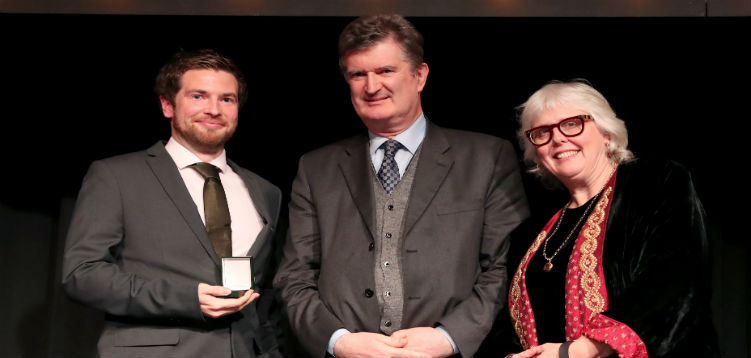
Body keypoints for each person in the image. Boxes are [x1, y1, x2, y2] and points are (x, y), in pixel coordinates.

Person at [273, 14, 529, 358]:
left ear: (420, 75)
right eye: (358, 74)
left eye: (385, 71)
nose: (372, 86)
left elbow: (505, 268)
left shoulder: (487, 158)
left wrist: (450, 337)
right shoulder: (316, 168)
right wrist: (338, 341)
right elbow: (295, 276)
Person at [62, 49, 282, 357]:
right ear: (168, 105)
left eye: (227, 99)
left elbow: (268, 292)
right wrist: (185, 299)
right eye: (198, 96)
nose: (214, 109)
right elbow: (82, 275)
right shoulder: (117, 176)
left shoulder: (265, 191)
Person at [505, 80, 718, 358]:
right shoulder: (528, 234)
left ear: (606, 132)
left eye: (571, 124)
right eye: (542, 132)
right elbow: (506, 329)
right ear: (537, 153)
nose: (557, 138)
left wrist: (578, 351)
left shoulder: (656, 184)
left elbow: (674, 282)